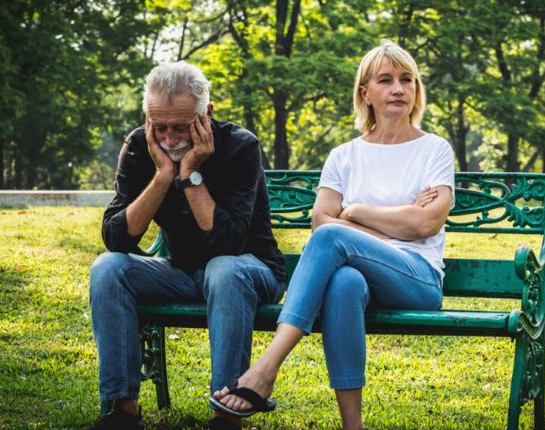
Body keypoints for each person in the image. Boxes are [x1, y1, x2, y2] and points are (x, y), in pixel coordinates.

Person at [210, 40, 455, 430]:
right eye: (386, 80)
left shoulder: (434, 150)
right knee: (343, 282)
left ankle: (265, 369)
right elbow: (322, 219)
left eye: (407, 79)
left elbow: (426, 224)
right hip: (363, 277)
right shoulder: (344, 155)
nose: (398, 89)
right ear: (365, 93)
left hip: (417, 278)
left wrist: (355, 212)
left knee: (332, 241)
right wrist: (393, 222)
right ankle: (352, 426)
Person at [88, 62, 286, 430]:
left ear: (206, 114)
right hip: (181, 273)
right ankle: (122, 409)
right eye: (159, 126)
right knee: (107, 268)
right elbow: (117, 238)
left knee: (223, 268)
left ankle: (227, 414)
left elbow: (228, 242)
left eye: (180, 127)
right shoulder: (139, 146)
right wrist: (163, 175)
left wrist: (190, 174)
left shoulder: (241, 146)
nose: (168, 138)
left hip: (250, 271)